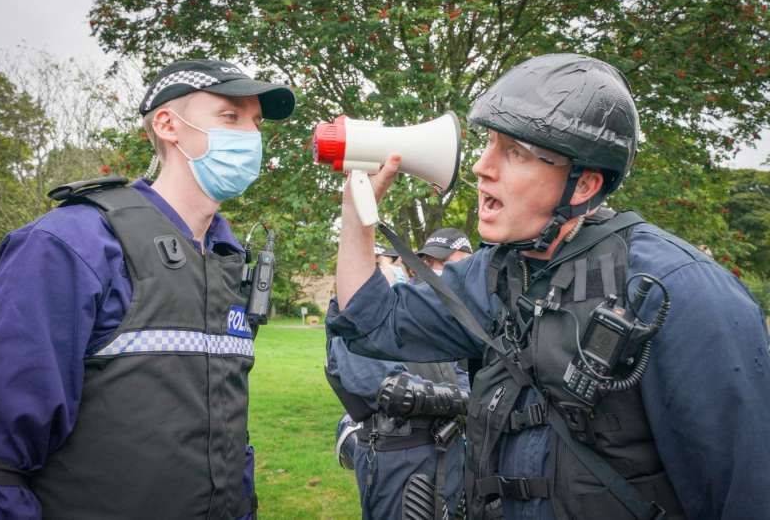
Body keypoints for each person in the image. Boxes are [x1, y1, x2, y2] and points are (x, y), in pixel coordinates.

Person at [327, 53, 770, 520]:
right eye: (489, 144)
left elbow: (746, 490)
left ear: (583, 185)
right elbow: (370, 320)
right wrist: (357, 213)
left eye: (514, 152)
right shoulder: (497, 273)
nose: (481, 167)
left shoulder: (676, 291)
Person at [0, 59, 295, 519]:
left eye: (256, 123)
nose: (250, 136)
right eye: (230, 116)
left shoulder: (226, 257)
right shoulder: (72, 243)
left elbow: (223, 430)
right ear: (168, 125)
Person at [326, 238, 472, 519]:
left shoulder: (430, 318)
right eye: (387, 262)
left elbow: (465, 376)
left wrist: (462, 396)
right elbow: (390, 389)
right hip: (399, 457)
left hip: (450, 452)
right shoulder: (353, 320)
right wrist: (463, 399)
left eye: (394, 262)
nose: (398, 269)